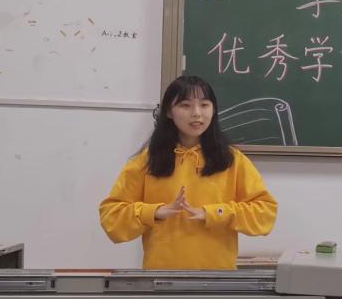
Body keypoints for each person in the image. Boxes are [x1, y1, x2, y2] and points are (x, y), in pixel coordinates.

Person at [99, 75, 277, 270]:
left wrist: (216, 213)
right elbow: (112, 216)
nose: (197, 113)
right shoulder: (147, 161)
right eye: (185, 105)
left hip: (217, 278)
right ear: (169, 111)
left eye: (204, 105)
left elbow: (265, 212)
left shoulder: (232, 160)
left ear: (214, 110)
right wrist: (154, 212)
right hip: (161, 277)